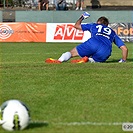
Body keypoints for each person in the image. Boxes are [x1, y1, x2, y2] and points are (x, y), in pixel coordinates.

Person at [45, 12, 128, 64]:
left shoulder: (94, 25)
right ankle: (87, 60)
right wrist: (123, 60)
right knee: (97, 61)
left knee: (72, 53)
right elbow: (125, 49)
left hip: (93, 43)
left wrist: (82, 17)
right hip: (106, 50)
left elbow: (76, 26)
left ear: (98, 22)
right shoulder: (112, 32)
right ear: (106, 25)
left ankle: (59, 60)